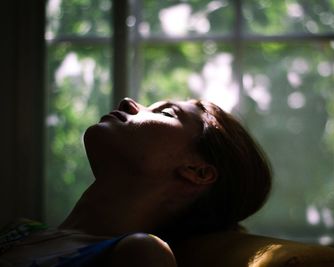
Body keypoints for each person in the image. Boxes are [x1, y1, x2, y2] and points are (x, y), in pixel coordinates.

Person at [0, 97, 272, 267]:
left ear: (197, 171)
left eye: (166, 113)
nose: (129, 102)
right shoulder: (20, 230)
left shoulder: (141, 254)